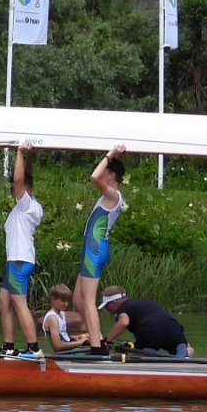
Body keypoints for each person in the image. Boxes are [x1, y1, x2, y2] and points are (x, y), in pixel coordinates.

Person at [72, 146, 128, 349]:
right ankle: (95, 335)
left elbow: (94, 177)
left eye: (106, 169)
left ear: (111, 175)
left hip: (94, 250)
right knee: (78, 299)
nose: (102, 171)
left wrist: (110, 156)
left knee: (87, 300)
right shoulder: (111, 195)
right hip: (92, 249)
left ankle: (97, 346)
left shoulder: (113, 194)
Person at [0, 143, 43, 357]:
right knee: (4, 301)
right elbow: (24, 177)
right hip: (14, 260)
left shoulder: (27, 205)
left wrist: (18, 151)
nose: (12, 190)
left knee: (18, 303)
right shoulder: (26, 204)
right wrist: (28, 156)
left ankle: (34, 348)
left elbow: (19, 180)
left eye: (14, 188)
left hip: (19, 260)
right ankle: (8, 346)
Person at [99, 289, 191, 357]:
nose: (107, 310)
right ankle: (184, 358)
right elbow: (162, 322)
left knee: (137, 356)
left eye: (106, 307)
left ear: (113, 303)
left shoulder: (122, 308)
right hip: (174, 329)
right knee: (187, 350)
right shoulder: (145, 303)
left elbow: (123, 322)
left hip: (151, 333)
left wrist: (106, 341)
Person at [39, 283, 90, 353]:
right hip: (62, 353)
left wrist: (77, 337)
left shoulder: (60, 314)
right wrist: (78, 343)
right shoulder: (53, 318)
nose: (66, 304)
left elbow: (63, 337)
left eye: (67, 301)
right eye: (63, 301)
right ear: (53, 299)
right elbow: (57, 346)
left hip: (67, 350)